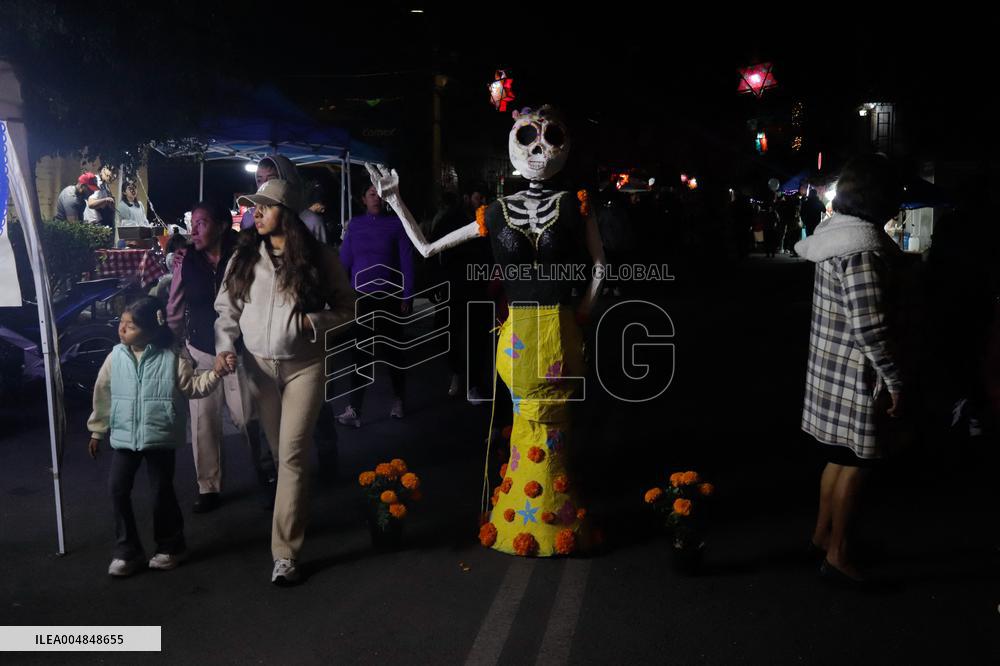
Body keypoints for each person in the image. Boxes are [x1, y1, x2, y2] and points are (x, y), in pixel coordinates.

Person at [366, 104, 606, 557]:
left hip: (559, 330)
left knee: (555, 425)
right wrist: (396, 200)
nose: (539, 149)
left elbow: (600, 265)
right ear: (513, 144)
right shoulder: (495, 212)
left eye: (550, 137)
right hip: (518, 334)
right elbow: (426, 246)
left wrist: (582, 315)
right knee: (524, 422)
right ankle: (526, 514)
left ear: (564, 144)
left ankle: (554, 514)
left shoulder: (576, 203)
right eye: (528, 138)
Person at [214, 178, 354, 585]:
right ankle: (293, 518)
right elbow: (226, 309)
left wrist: (314, 322)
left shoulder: (319, 257)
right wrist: (225, 346)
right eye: (253, 207)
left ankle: (285, 554)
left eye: (265, 206)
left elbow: (350, 308)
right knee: (279, 458)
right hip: (258, 368)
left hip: (305, 366)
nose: (255, 213)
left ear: (288, 214)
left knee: (293, 456)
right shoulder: (243, 257)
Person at [794, 154, 905, 585]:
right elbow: (871, 328)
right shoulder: (861, 248)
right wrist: (895, 381)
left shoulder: (834, 236)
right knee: (858, 463)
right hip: (855, 375)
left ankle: (823, 534)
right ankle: (839, 552)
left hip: (830, 366)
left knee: (838, 458)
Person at [87, 296, 224, 577]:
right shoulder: (115, 357)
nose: (122, 330)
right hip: (125, 437)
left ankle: (171, 546)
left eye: (131, 326)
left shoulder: (172, 357)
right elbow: (103, 394)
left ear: (152, 330)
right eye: (122, 323)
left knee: (161, 492)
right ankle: (127, 550)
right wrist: (97, 430)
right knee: (117, 489)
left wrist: (216, 373)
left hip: (160, 435)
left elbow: (194, 387)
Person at [166, 201, 275, 513]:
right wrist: (177, 343)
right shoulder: (186, 259)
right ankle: (208, 487)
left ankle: (266, 474)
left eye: (202, 223)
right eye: (192, 223)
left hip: (239, 351)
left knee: (248, 418)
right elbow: (175, 304)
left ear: (222, 226)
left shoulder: (243, 256)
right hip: (200, 349)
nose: (194, 230)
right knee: (203, 423)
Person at [335, 184, 416, 426]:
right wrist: (338, 295)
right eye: (371, 193)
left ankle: (399, 400)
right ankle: (355, 409)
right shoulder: (356, 226)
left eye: (380, 194)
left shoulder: (396, 224)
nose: (377, 198)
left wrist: (407, 295)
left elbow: (406, 261)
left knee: (393, 352)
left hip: (389, 297)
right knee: (360, 353)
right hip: (361, 297)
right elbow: (344, 262)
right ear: (363, 198)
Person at [430, 181, 494, 401]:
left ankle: (474, 383)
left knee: (478, 337)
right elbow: (434, 251)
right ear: (467, 198)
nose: (482, 202)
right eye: (479, 198)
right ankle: (457, 372)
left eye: (485, 199)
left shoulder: (489, 221)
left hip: (479, 287)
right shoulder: (449, 220)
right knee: (449, 334)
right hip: (454, 286)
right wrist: (436, 284)